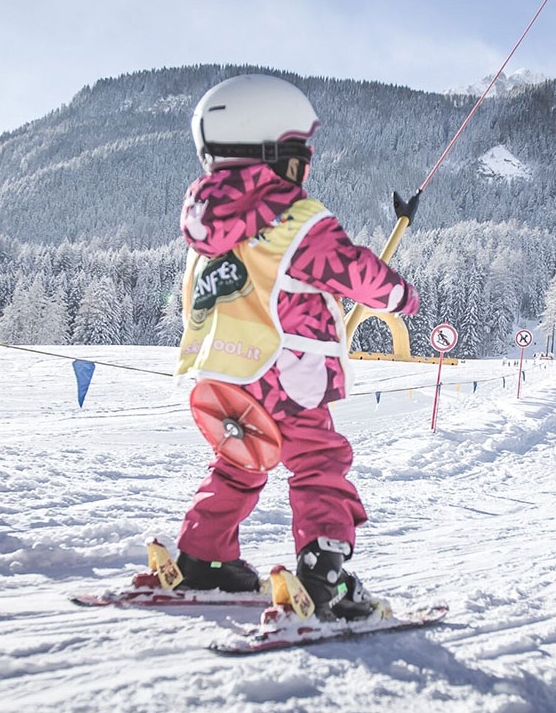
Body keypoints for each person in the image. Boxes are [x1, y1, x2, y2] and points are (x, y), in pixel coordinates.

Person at [173, 74, 420, 619]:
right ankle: (323, 572)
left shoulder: (206, 227)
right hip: (288, 375)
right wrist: (400, 296)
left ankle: (202, 556)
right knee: (318, 462)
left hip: (221, 379)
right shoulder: (298, 221)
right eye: (300, 154)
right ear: (278, 156)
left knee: (240, 460)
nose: (305, 166)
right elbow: (353, 270)